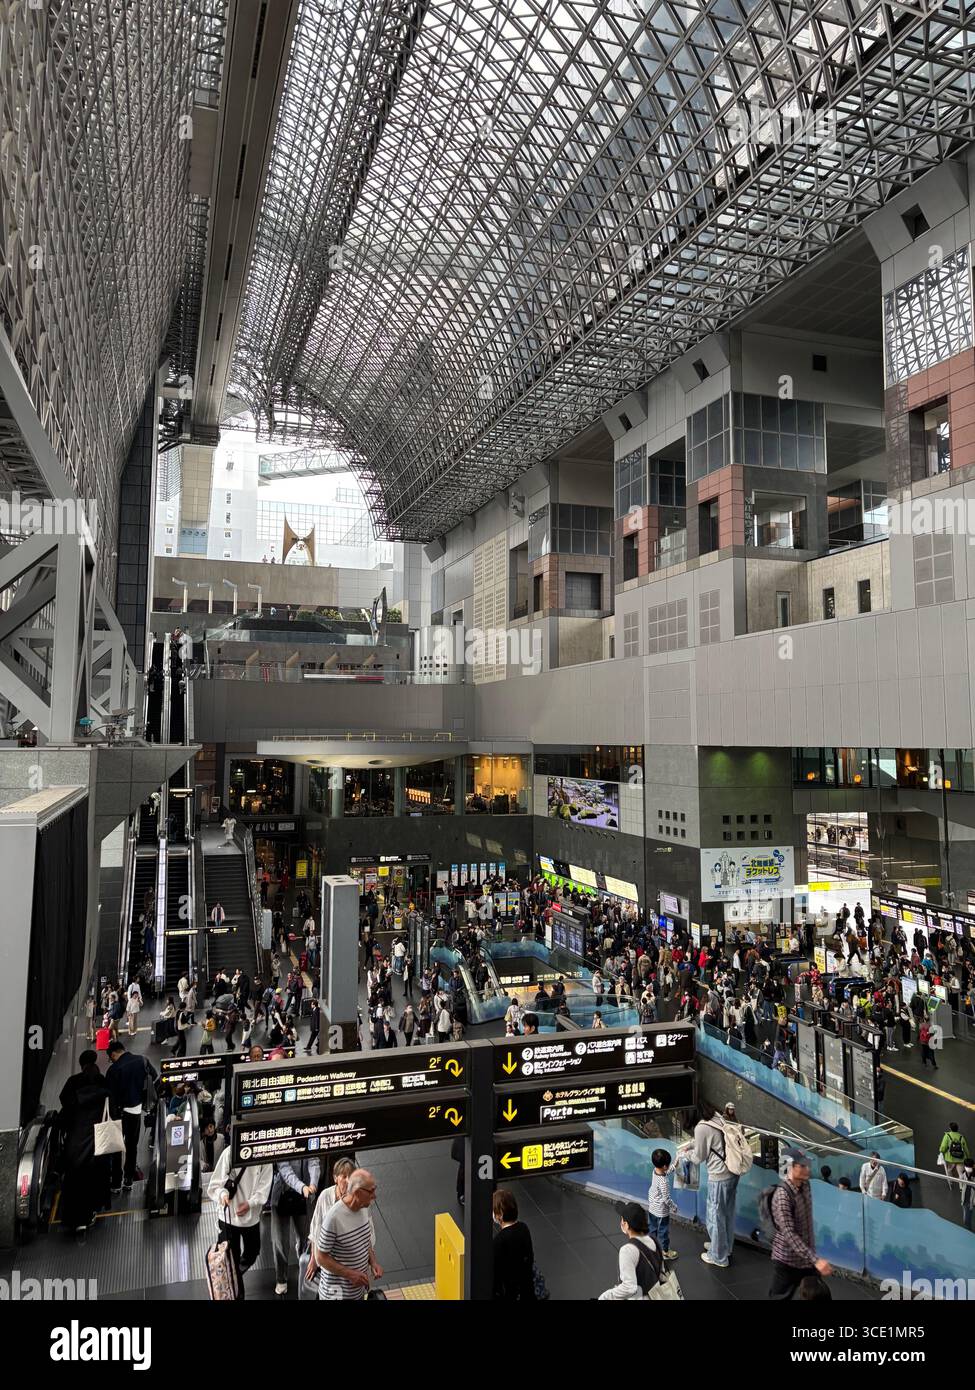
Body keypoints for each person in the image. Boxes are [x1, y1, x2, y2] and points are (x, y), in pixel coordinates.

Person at [58, 1051, 112, 1237]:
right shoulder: (102, 1082)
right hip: (97, 1137)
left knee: (73, 1178)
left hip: (75, 1138)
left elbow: (64, 1104)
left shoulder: (73, 1083)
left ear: (81, 1065)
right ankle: (89, 1214)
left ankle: (70, 1218)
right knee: (93, 1177)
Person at [768, 1148, 832, 1300]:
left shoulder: (806, 1186)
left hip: (806, 1258)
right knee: (780, 1296)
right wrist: (815, 1260)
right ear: (790, 1167)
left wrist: (812, 1255)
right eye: (802, 1166)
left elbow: (807, 1222)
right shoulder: (783, 1195)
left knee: (819, 1295)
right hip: (787, 1260)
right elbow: (790, 1234)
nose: (807, 1169)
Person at [207, 1145, 273, 1279]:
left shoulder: (264, 1154)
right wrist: (222, 1194)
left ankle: (234, 1276)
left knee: (252, 1252)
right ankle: (234, 1285)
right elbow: (215, 1184)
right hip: (228, 1216)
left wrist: (250, 1204)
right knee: (231, 1258)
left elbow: (264, 1186)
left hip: (251, 1216)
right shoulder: (230, 1152)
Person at [315, 1169, 382, 1300]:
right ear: (357, 1192)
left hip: (357, 1292)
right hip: (336, 1295)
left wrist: (373, 1262)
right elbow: (321, 1257)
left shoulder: (363, 1208)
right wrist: (350, 1274)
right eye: (371, 1191)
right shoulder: (333, 1218)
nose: (374, 1196)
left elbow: (365, 1240)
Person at [105, 1042, 157, 1192]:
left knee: (116, 1148)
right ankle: (128, 1180)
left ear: (113, 1054)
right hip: (136, 1111)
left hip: (119, 1114)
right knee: (131, 1146)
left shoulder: (114, 1069)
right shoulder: (142, 1060)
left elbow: (109, 1095)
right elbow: (153, 1077)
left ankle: (115, 1183)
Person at [693, 1104, 740, 1269]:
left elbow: (699, 1157)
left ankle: (718, 1256)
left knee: (715, 1216)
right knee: (727, 1213)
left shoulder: (701, 1127)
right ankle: (724, 1248)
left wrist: (687, 1155)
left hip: (719, 1177)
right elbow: (714, 1143)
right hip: (733, 1172)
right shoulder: (718, 1118)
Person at [303, 1158, 356, 1299]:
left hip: (348, 1262)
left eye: (351, 1177)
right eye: (344, 1177)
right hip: (327, 1261)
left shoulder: (357, 1200)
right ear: (335, 1178)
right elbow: (316, 1229)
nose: (348, 1181)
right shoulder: (325, 1196)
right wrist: (314, 1260)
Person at [271, 1157, 320, 1296]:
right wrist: (302, 1187)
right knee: (280, 1241)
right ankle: (281, 1279)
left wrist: (313, 1184)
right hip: (282, 1194)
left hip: (304, 1196)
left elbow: (314, 1160)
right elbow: (284, 1169)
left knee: (306, 1236)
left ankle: (304, 1267)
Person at [597, 1201, 664, 1300]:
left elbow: (629, 1288)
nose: (621, 1222)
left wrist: (605, 1296)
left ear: (626, 1225)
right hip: (657, 1295)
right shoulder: (654, 1240)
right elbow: (660, 1272)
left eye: (622, 1220)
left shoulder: (627, 1251)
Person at [492, 1189, 536, 1300]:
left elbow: (496, 1273)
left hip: (510, 1292)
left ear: (499, 1215)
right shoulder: (523, 1227)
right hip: (527, 1288)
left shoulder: (499, 1240)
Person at [647, 1149, 680, 1261]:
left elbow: (665, 1172)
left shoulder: (655, 1170)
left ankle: (650, 1248)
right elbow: (666, 1199)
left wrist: (674, 1166)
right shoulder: (664, 1181)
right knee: (663, 1232)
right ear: (665, 1166)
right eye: (669, 1164)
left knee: (652, 1228)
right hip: (661, 1212)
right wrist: (673, 1207)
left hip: (652, 1207)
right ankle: (665, 1251)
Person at [960, 1159, 975, 1232]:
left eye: (969, 1166)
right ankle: (968, 1231)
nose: (967, 1168)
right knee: (966, 1219)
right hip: (966, 1199)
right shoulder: (964, 1173)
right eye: (966, 1166)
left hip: (973, 1199)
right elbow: (962, 1184)